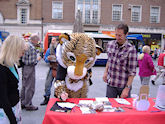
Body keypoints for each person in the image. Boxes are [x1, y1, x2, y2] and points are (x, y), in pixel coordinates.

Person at [103, 23, 137, 98]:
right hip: (111, 84)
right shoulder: (110, 44)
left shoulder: (131, 49)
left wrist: (127, 88)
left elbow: (132, 72)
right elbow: (109, 60)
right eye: (116, 35)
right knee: (110, 107)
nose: (117, 37)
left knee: (124, 108)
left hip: (123, 85)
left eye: (120, 35)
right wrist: (105, 72)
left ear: (126, 34)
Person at [0, 35, 26, 124]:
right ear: (14, 50)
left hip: (15, 106)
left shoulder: (12, 63)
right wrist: (12, 119)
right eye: (22, 51)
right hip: (6, 111)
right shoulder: (2, 68)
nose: (23, 54)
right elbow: (3, 97)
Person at [21, 34, 41, 111]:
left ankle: (22, 102)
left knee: (24, 85)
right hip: (29, 68)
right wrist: (38, 59)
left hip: (24, 67)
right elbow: (32, 61)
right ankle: (28, 104)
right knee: (30, 87)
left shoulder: (26, 45)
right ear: (34, 40)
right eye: (37, 40)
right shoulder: (32, 48)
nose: (38, 42)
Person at [40, 37, 58, 105]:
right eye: (52, 40)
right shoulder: (49, 50)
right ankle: (46, 98)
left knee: (59, 85)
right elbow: (45, 59)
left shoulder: (60, 49)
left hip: (59, 69)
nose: (52, 42)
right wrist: (48, 58)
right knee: (47, 84)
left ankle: (57, 98)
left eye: (54, 40)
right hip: (52, 68)